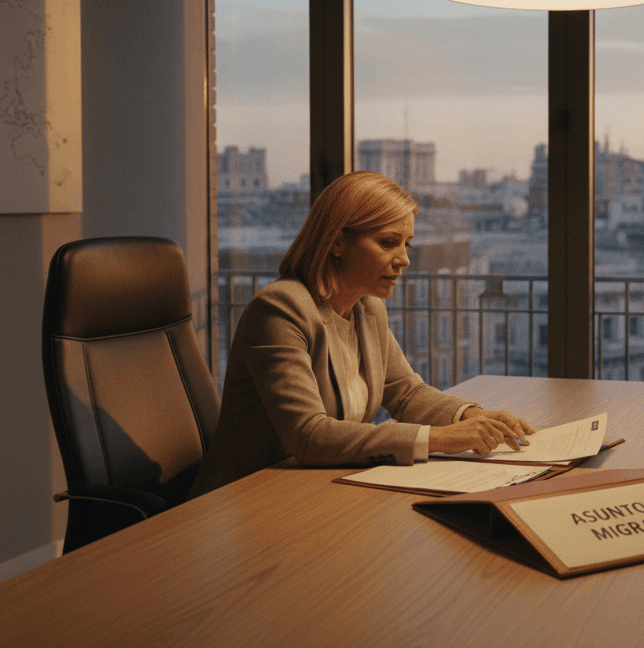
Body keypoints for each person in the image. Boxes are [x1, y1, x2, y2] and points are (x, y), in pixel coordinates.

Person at [192, 171, 533, 497]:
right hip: (242, 500)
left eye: (407, 245)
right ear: (338, 242)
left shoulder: (367, 307)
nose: (404, 260)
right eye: (388, 243)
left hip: (317, 489)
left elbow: (405, 393)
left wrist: (472, 416)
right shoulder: (280, 309)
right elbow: (308, 435)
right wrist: (439, 438)